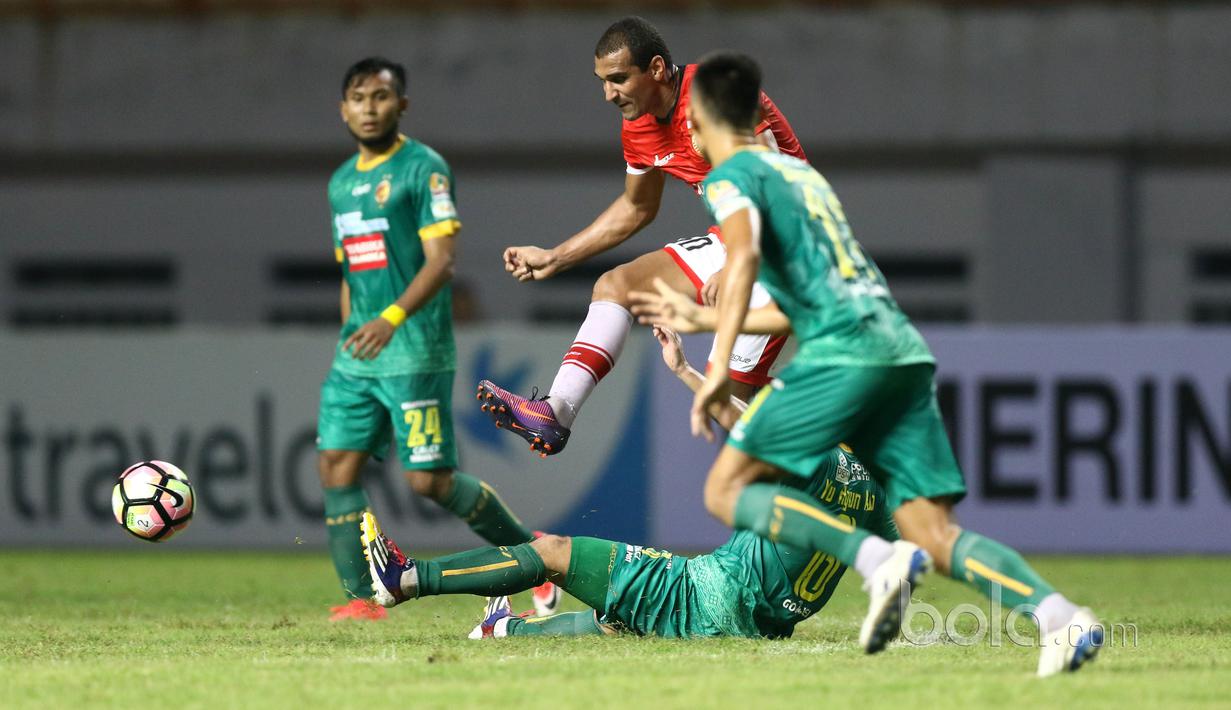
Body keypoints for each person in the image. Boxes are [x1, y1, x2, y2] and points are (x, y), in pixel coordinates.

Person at [630, 51, 1101, 676]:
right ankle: (1060, 617)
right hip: (899, 349)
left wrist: (715, 366)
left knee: (726, 489)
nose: (684, 132)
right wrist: (705, 320)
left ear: (703, 117)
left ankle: (875, 560)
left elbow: (739, 261)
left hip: (843, 353)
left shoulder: (729, 177)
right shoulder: (805, 179)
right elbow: (805, 302)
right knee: (933, 536)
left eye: (689, 120)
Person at [362, 326, 896, 641]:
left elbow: (746, 429)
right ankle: (505, 631)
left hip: (711, 595)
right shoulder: (872, 488)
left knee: (552, 550)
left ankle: (407, 579)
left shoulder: (821, 456)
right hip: (760, 625)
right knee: (620, 621)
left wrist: (687, 372)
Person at [476, 16, 802, 457]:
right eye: (602, 82)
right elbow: (638, 207)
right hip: (735, 239)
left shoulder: (714, 91)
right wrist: (556, 257)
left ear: (655, 68)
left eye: (617, 79)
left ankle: (836, 502)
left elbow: (773, 182)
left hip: (790, 247)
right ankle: (556, 412)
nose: (608, 94)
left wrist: (740, 260)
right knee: (616, 286)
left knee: (737, 409)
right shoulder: (640, 125)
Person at [318, 57, 558, 621]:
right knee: (335, 467)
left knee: (428, 480)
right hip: (358, 355)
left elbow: (442, 262)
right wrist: (351, 329)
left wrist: (391, 319)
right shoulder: (340, 184)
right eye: (358, 97)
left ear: (401, 106)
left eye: (381, 97)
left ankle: (539, 561)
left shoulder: (423, 169)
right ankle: (363, 601)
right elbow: (352, 273)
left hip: (412, 349)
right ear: (343, 109)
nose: (369, 107)